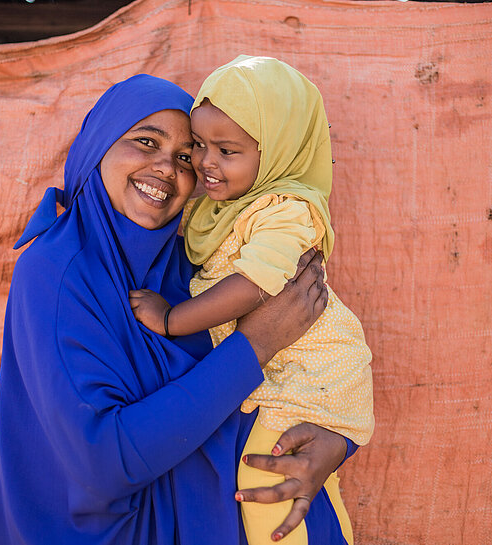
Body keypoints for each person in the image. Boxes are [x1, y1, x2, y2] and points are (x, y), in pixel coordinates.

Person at [0, 73, 356, 545]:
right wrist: (257, 343)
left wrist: (333, 443)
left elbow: (313, 357)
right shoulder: (56, 272)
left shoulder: (197, 270)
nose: (167, 168)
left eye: (186, 156)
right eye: (146, 142)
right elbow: (103, 460)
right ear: (99, 145)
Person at [130, 56, 374, 545]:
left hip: (310, 373)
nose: (205, 162)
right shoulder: (222, 207)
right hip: (283, 371)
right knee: (316, 490)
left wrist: (174, 318)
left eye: (228, 150)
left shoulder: (286, 210)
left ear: (278, 152)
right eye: (199, 145)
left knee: (266, 481)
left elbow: (254, 284)